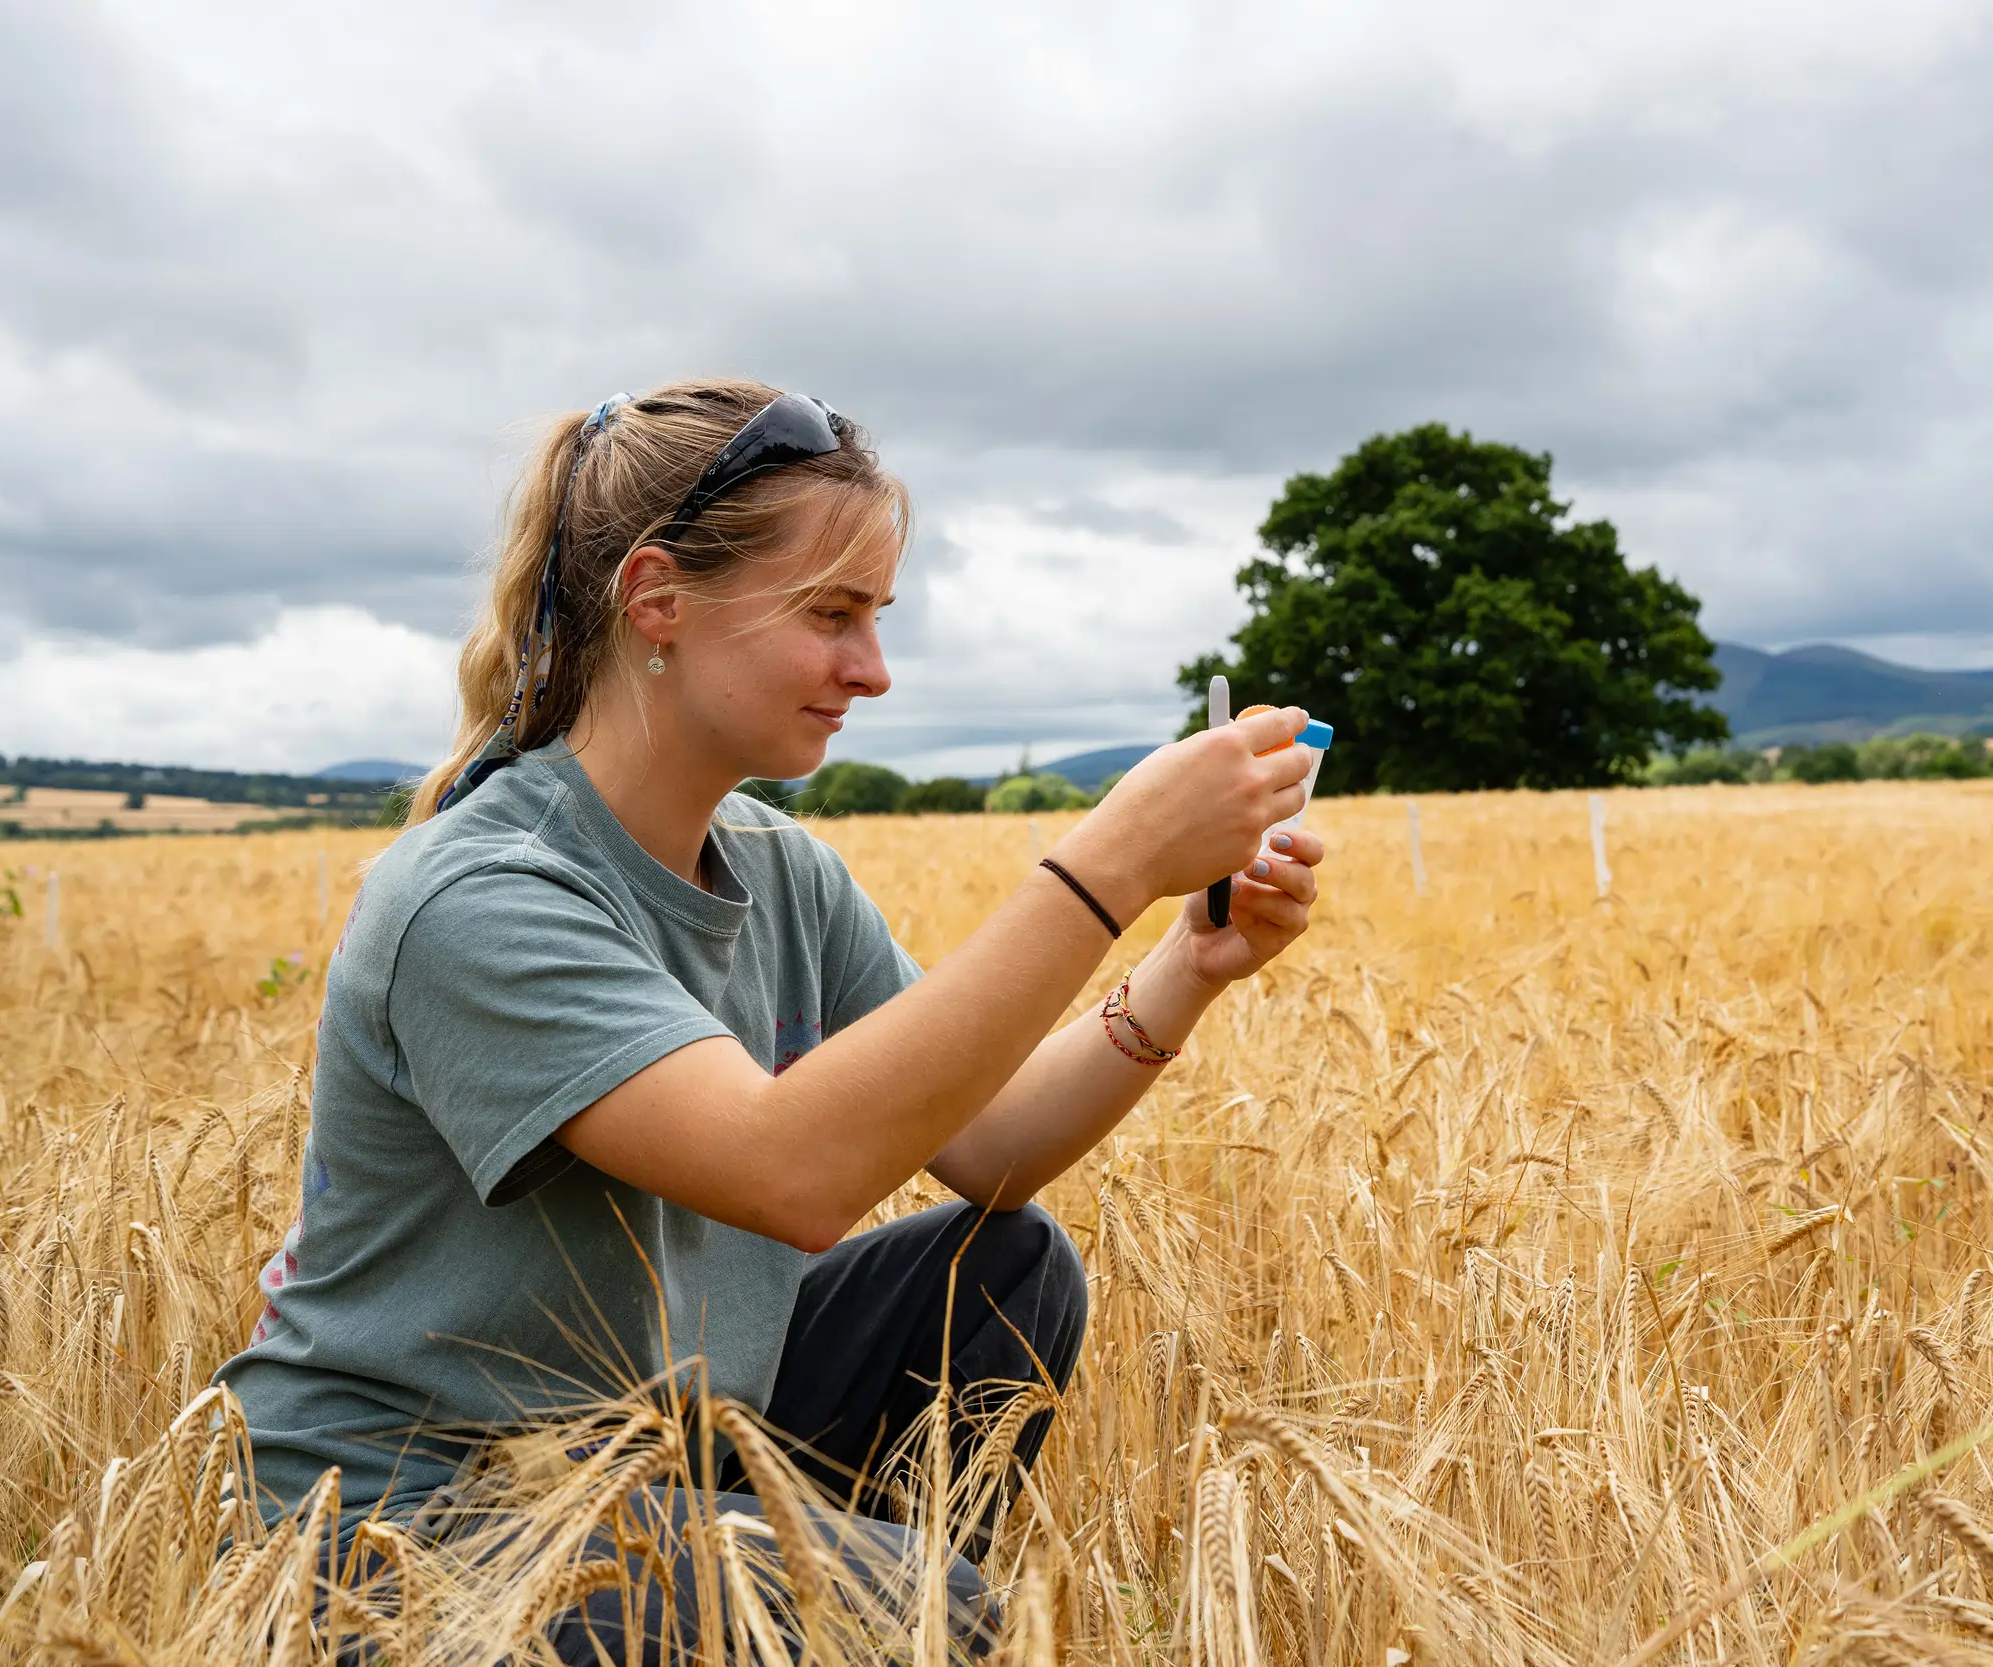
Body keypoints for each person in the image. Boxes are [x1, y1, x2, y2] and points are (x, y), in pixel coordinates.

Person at [212, 379, 1324, 1658]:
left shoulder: (776, 866)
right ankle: (833, 1607)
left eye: (877, 617)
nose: (874, 669)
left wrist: (1187, 963)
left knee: (1000, 1267)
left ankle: (780, 1599)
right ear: (657, 600)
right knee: (915, 1607)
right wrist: (1108, 863)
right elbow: (792, 1170)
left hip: (650, 1463)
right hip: (413, 1529)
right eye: (832, 614)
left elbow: (991, 1140)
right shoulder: (480, 895)